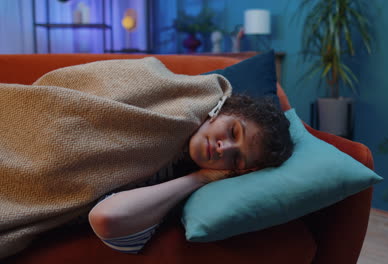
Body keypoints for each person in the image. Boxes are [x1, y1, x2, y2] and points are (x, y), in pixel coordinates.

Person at [88, 94, 294, 254]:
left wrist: (200, 178)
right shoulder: (177, 107)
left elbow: (106, 218)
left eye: (237, 159)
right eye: (233, 131)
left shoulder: (184, 191)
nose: (225, 148)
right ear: (220, 111)